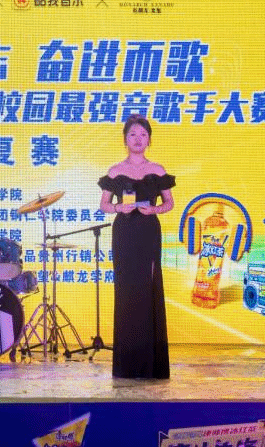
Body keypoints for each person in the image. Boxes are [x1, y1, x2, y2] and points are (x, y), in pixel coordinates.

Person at [98, 114, 175, 379]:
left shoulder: (158, 170)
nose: (138, 139)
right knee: (126, 291)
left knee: (148, 289)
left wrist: (154, 209)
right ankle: (127, 363)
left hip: (148, 231)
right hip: (124, 232)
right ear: (125, 139)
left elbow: (169, 203)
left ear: (149, 139)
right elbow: (104, 204)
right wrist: (119, 207)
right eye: (133, 134)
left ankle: (151, 364)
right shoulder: (115, 171)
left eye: (143, 134)